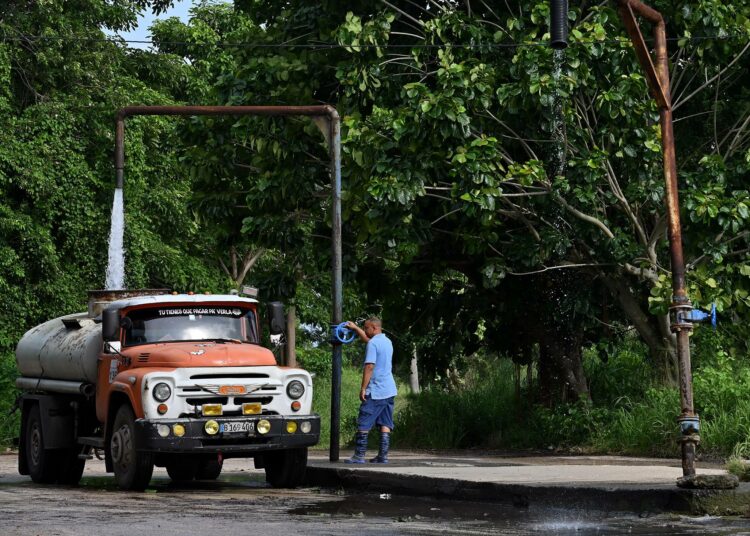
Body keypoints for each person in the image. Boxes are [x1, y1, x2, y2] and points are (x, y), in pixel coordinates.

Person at [344, 317, 397, 464]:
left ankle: (359, 456)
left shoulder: (373, 344)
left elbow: (369, 367)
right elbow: (368, 340)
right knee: (385, 423)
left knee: (364, 421)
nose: (365, 330)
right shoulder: (387, 341)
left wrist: (363, 388)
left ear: (373, 327)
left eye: (366, 328)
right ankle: (383, 456)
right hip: (390, 389)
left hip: (376, 390)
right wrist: (355, 328)